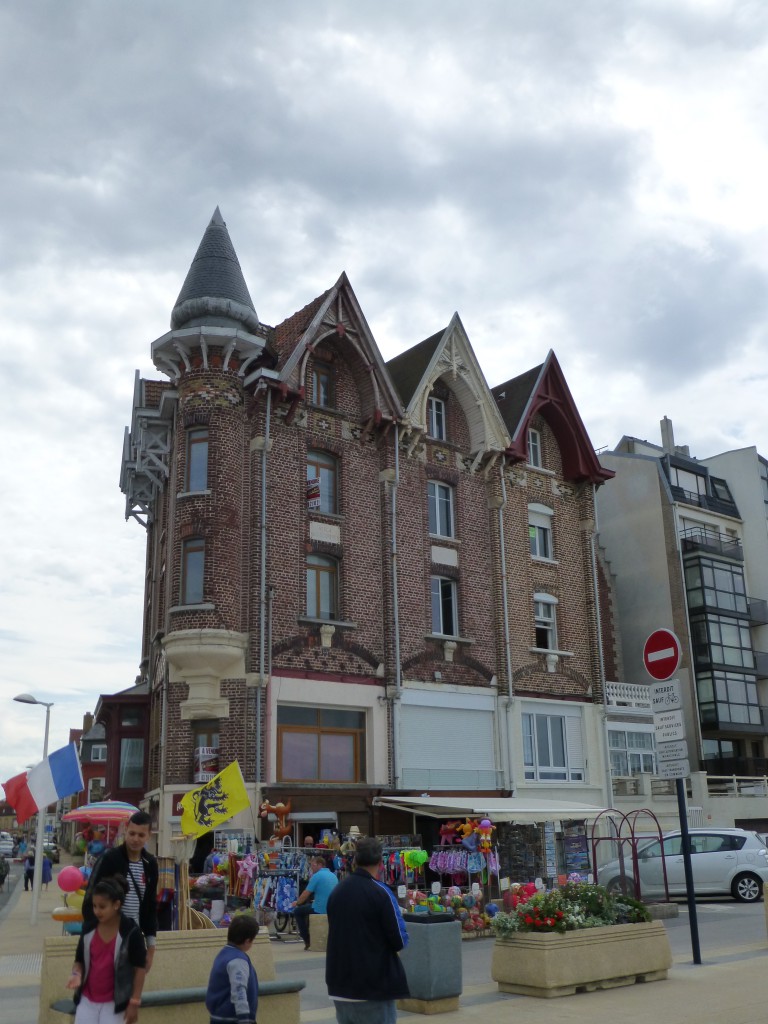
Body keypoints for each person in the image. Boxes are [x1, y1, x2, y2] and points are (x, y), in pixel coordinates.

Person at [326, 837, 409, 1024]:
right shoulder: (381, 892)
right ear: (381, 863)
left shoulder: (337, 892)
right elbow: (398, 939)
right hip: (373, 985)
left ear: (354, 861)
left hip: (339, 984)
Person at [83, 811, 159, 973]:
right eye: (132, 833)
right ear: (125, 830)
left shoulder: (150, 864)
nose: (135, 839)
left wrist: (151, 948)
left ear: (149, 836)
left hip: (133, 938)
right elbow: (90, 899)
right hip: (108, 938)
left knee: (128, 991)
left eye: (141, 835)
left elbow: (150, 907)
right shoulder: (110, 859)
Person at [67, 874, 147, 1024]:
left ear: (116, 905)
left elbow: (140, 969)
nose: (97, 911)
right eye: (94, 906)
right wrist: (76, 974)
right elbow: (79, 960)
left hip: (115, 1004)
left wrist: (134, 1002)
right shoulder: (89, 928)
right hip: (87, 1000)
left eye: (102, 907)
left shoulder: (131, 932)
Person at [205, 914, 259, 1024]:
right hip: (233, 1018)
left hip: (218, 1016)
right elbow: (239, 990)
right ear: (248, 941)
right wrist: (244, 1019)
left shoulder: (224, 954)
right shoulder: (238, 960)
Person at [293, 854, 338, 950]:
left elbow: (306, 893)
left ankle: (307, 939)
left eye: (313, 865)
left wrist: (297, 903)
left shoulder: (316, 876)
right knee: (307, 907)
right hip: (333, 908)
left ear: (320, 865)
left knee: (298, 912)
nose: (311, 868)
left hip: (320, 908)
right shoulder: (333, 875)